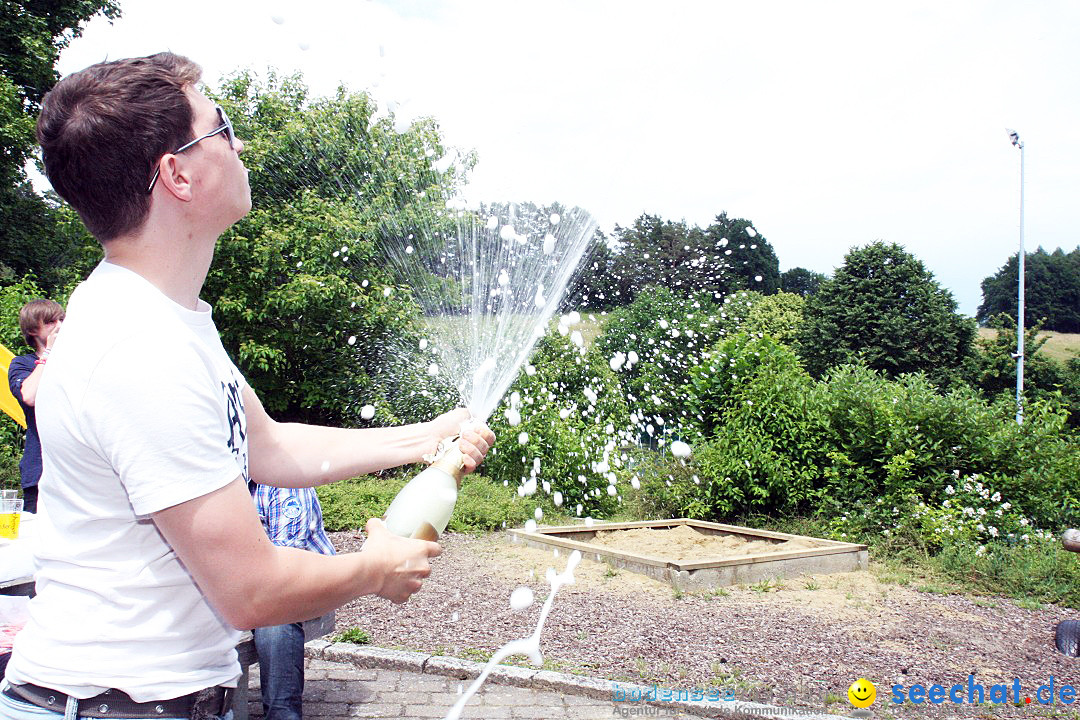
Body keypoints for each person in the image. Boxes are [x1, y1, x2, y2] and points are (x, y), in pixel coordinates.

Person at [0, 51, 494, 720]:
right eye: (221, 126)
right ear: (175, 174)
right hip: (109, 706)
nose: (241, 143)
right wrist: (374, 569)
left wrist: (426, 439)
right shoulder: (140, 350)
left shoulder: (164, 317)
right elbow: (252, 591)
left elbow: (268, 447)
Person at [251, 483, 334, 720]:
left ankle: (283, 713)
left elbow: (285, 563)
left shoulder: (282, 484)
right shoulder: (222, 480)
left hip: (304, 577)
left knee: (275, 617)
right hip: (254, 580)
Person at [6, 299, 65, 514]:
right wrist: (48, 352)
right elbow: (29, 396)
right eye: (50, 322)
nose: (59, 325)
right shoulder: (23, 364)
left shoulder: (77, 362)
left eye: (62, 319)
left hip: (80, 470)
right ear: (32, 330)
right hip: (41, 471)